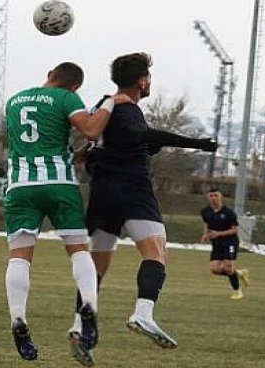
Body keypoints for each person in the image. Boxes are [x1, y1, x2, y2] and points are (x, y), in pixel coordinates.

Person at [70, 52, 218, 351]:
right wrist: (197, 144)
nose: (150, 81)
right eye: (148, 77)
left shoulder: (103, 106)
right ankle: (143, 314)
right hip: (132, 189)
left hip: (102, 191)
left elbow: (115, 144)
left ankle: (79, 325)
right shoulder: (128, 108)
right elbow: (139, 134)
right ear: (142, 81)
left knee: (98, 262)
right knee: (157, 251)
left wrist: (150, 145)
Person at [3, 61, 132, 364]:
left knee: (19, 256)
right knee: (78, 250)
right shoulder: (66, 97)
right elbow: (90, 127)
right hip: (60, 184)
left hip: (21, 186)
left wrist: (75, 153)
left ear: (49, 74)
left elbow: (37, 145)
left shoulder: (15, 100)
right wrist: (111, 102)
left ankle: (18, 320)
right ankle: (88, 305)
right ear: (74, 86)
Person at [200, 188, 249, 300]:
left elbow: (235, 230)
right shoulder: (205, 211)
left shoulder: (228, 212)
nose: (213, 198)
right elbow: (207, 225)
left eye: (215, 195)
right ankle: (240, 273)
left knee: (227, 267)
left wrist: (219, 233)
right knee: (214, 269)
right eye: (211, 195)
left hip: (230, 242)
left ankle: (238, 291)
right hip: (216, 243)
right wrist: (205, 235)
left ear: (220, 197)